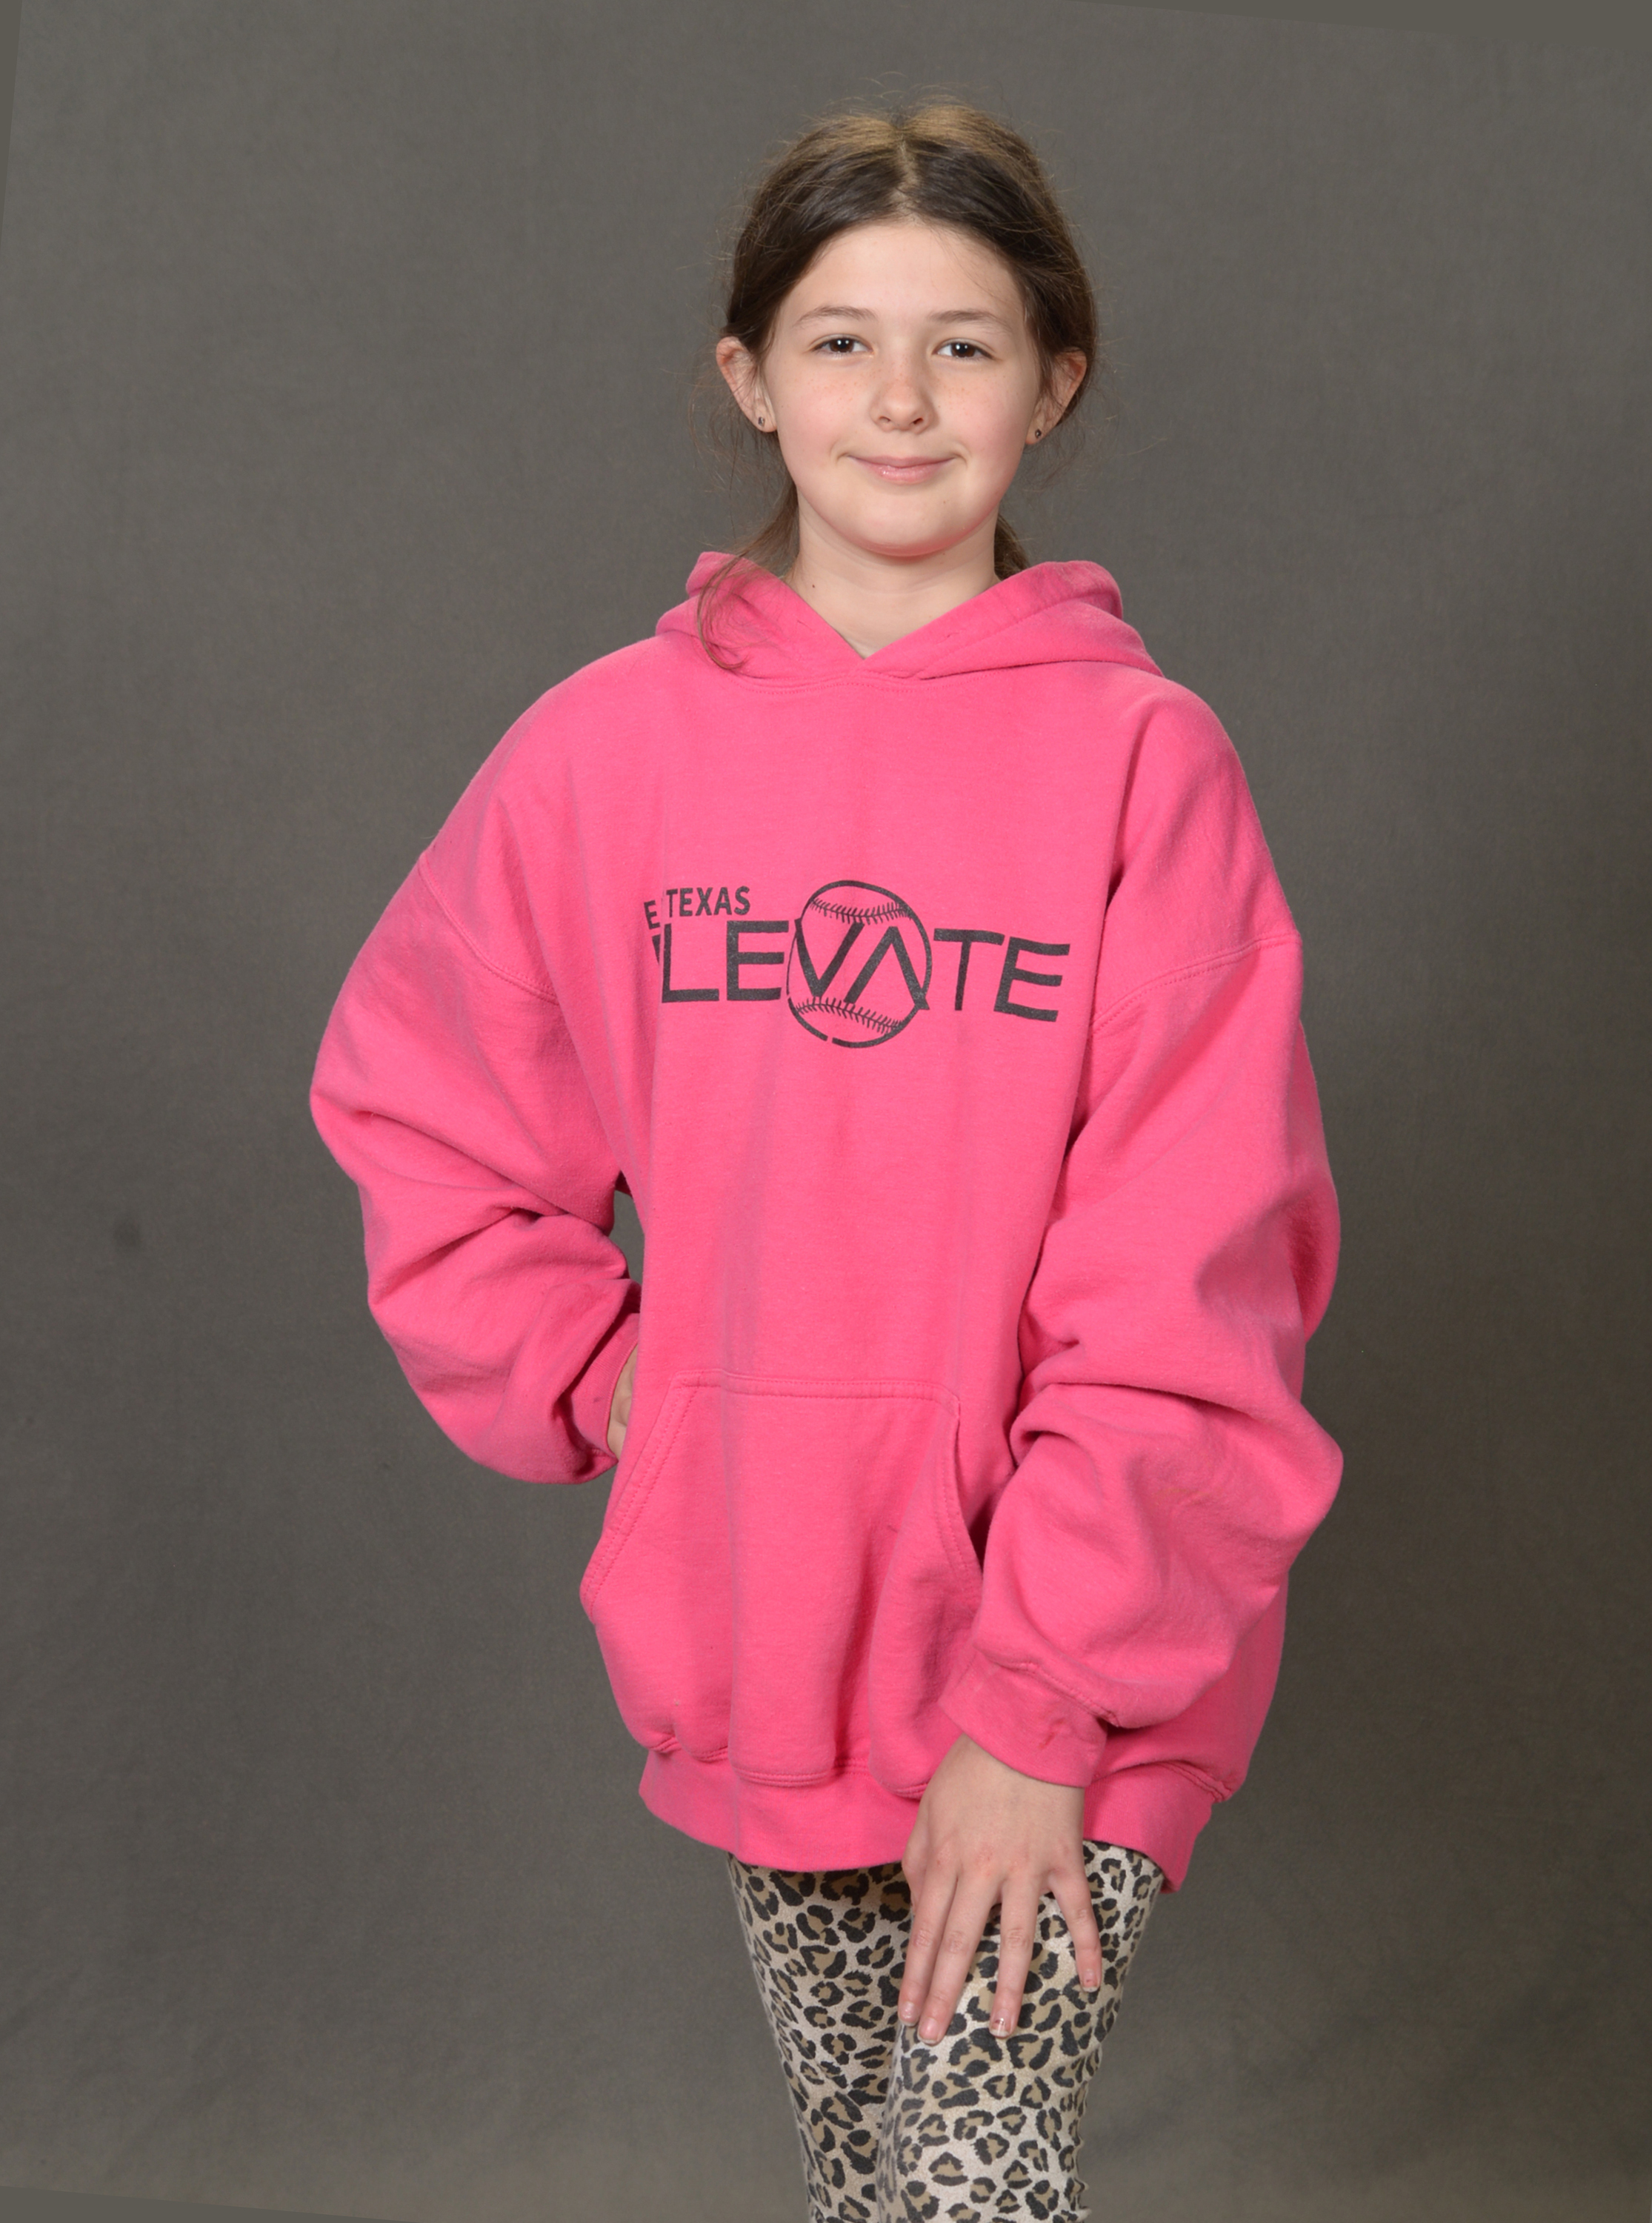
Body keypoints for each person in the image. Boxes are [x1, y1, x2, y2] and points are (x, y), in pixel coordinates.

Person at [310, 96, 1342, 2223]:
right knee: (874, 2193)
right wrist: (628, 1392)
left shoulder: (1143, 765)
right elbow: (427, 1109)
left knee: (966, 2188)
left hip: (1083, 1651)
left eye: (965, 345)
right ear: (752, 378)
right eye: (842, 341)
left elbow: (1196, 1270)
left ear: (1053, 382)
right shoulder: (601, 755)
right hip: (772, 1634)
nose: (901, 399)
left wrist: (1038, 1711)